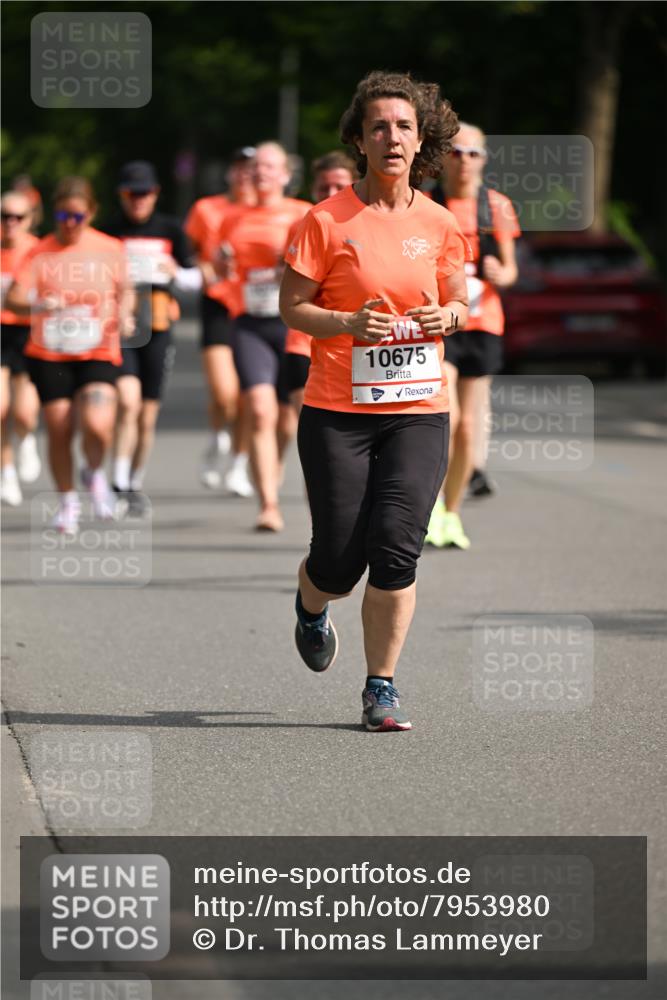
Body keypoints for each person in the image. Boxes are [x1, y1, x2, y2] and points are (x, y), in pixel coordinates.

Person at [280, 72, 469, 731]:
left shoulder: (439, 222)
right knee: (337, 560)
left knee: (395, 548)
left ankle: (380, 687)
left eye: (403, 127)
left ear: (421, 141)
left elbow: (457, 298)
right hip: (337, 412)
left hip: (417, 410)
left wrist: (449, 316)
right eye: (378, 127)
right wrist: (345, 325)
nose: (391, 137)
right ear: (358, 140)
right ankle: (310, 606)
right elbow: (291, 307)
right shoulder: (324, 220)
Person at [6, 176, 134, 535]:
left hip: (97, 348)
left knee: (98, 424)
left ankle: (93, 471)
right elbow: (12, 298)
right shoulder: (40, 251)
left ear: (90, 213)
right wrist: (37, 302)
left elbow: (126, 291)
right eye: (63, 215)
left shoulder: (109, 248)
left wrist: (125, 314)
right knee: (60, 429)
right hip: (50, 352)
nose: (69, 223)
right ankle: (67, 502)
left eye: (77, 216)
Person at [426, 122, 519, 548]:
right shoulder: (427, 204)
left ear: (484, 159)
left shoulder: (496, 206)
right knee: (450, 417)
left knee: (468, 430)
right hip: (442, 324)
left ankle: (453, 512)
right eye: (456, 152)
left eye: (473, 153)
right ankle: (428, 507)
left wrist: (503, 273)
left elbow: (511, 268)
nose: (464, 160)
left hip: (484, 325)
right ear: (444, 157)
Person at [217, 142, 310, 532]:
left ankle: (275, 462)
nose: (261, 172)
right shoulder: (231, 218)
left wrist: (285, 265)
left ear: (286, 174)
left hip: (295, 324)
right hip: (251, 322)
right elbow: (222, 271)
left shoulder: (304, 214)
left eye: (270, 166)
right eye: (256, 166)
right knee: (259, 409)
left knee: (290, 418)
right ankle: (268, 504)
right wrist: (222, 266)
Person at [104, 161, 200, 515]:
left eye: (144, 193)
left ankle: (134, 481)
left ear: (155, 194)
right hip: (123, 328)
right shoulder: (109, 231)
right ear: (121, 195)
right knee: (126, 403)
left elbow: (195, 279)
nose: (138, 200)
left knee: (146, 414)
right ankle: (115, 482)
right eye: (131, 193)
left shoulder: (171, 229)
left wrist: (174, 271)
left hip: (159, 324)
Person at [185, 148, 256, 496]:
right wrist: (199, 267)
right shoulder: (206, 209)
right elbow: (187, 251)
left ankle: (240, 464)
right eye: (239, 168)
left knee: (248, 395)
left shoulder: (266, 213)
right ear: (230, 172)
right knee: (224, 392)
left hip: (255, 309)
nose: (245, 175)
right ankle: (217, 437)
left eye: (251, 169)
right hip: (217, 303)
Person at [282, 151, 358, 416]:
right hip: (303, 338)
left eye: (339, 186)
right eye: (324, 187)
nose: (331, 192)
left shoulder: (369, 225)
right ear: (313, 189)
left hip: (353, 340)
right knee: (307, 416)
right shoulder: (303, 225)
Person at [1, 191, 41, 505]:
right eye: (4, 216)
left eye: (18, 217)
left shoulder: (39, 251)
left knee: (24, 413)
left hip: (29, 333)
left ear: (30, 220)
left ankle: (27, 438)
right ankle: (7, 472)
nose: (10, 223)